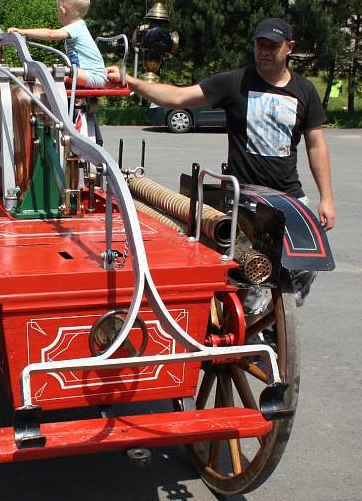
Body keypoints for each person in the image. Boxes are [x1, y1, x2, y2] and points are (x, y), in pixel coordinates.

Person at [107, 17, 336, 306]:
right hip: (244, 196)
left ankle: (272, 320)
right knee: (249, 275)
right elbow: (178, 97)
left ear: (289, 48)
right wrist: (132, 82)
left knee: (306, 264)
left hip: (289, 195)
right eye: (259, 44)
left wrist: (326, 198)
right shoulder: (235, 82)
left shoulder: (304, 90)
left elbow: (317, 144)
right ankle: (255, 333)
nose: (264, 51)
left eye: (272, 46)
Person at [8, 0, 107, 88]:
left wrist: (23, 32)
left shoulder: (76, 28)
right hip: (88, 75)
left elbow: (51, 34)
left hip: (93, 77)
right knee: (61, 73)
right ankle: (38, 81)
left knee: (60, 73)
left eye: (57, 11)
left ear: (63, 10)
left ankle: (37, 83)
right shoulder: (80, 26)